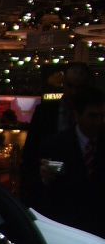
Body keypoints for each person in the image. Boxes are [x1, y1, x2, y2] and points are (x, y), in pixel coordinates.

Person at [20, 62, 94, 209]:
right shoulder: (45, 112)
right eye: (70, 86)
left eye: (78, 87)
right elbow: (30, 153)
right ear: (64, 84)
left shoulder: (93, 117)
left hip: (82, 196)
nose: (73, 92)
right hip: (49, 192)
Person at [36, 85, 105, 235]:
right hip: (67, 226)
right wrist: (44, 179)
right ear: (77, 115)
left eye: (102, 116)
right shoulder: (55, 145)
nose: (99, 122)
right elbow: (42, 190)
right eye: (93, 116)